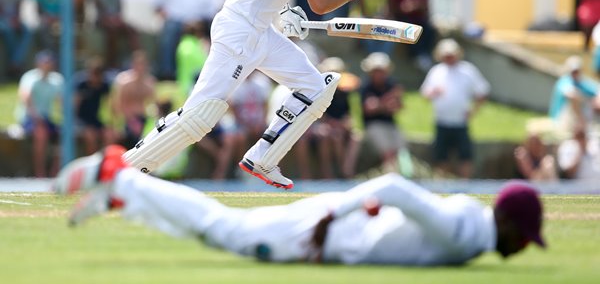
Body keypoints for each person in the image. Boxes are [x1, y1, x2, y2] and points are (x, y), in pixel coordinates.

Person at [122, 0, 381, 189]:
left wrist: (283, 12)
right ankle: (127, 168)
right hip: (240, 31)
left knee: (315, 88)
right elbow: (320, 4)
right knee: (201, 115)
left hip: (260, 30)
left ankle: (263, 157)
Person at [55, 146, 546, 265]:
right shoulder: (466, 234)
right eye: (525, 239)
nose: (524, 248)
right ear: (506, 222)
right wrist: (334, 217)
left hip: (335, 229)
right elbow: (394, 186)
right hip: (323, 232)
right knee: (220, 228)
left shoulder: (473, 227)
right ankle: (119, 174)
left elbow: (396, 207)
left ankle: (125, 195)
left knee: (218, 230)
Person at [420, 39, 490, 179]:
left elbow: (483, 91)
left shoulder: (467, 70)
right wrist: (433, 93)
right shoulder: (436, 71)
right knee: (441, 157)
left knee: (465, 156)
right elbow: (424, 94)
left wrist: (473, 111)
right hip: (441, 121)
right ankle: (442, 186)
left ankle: (465, 185)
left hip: (460, 122)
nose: (449, 58)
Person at [154, 0, 217, 80]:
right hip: (176, 21)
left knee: (214, 33)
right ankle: (167, 72)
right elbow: (156, 3)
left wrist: (200, 22)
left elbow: (211, 8)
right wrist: (165, 15)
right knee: (169, 32)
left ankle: (210, 71)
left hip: (198, 22)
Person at [16, 50, 64, 177]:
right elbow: (26, 98)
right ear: (38, 63)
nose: (47, 65)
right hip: (29, 117)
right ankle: (40, 173)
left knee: (65, 135)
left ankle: (55, 172)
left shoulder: (57, 79)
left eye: (49, 62)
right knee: (41, 134)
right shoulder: (30, 77)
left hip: (46, 118)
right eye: (44, 62)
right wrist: (36, 118)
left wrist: (65, 119)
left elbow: (61, 102)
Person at [88, 0, 140, 69]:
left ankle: (137, 60)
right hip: (101, 20)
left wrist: (117, 18)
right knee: (112, 32)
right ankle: (111, 64)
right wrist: (109, 19)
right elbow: (99, 6)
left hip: (115, 18)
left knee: (131, 30)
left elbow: (119, 6)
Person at [359, 52, 405, 172]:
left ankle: (398, 176)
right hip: (373, 125)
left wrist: (383, 104)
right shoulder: (366, 86)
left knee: (402, 151)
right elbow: (369, 109)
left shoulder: (391, 84)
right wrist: (387, 101)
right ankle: (391, 175)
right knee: (387, 151)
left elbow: (398, 107)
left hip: (390, 125)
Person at [389, 0, 436, 71]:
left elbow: (426, 8)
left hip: (418, 19)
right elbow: (392, 8)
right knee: (410, 31)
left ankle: (424, 54)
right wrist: (403, 8)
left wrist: (417, 6)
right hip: (403, 19)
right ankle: (417, 55)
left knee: (429, 30)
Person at [110, 51, 156, 150]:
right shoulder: (124, 81)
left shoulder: (149, 83)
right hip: (126, 120)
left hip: (143, 120)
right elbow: (117, 104)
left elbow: (154, 104)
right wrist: (129, 122)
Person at [74, 57, 115, 156]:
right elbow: (75, 105)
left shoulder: (105, 86)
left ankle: (104, 161)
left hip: (97, 120)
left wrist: (111, 123)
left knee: (110, 135)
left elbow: (111, 106)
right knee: (90, 136)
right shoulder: (81, 84)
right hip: (82, 120)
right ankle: (93, 163)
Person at [548, 55, 600, 132]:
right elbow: (572, 95)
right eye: (573, 71)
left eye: (577, 71)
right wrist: (582, 118)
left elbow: (597, 90)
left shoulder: (582, 82)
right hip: (560, 119)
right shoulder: (564, 81)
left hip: (581, 118)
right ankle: (582, 125)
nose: (575, 73)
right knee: (577, 100)